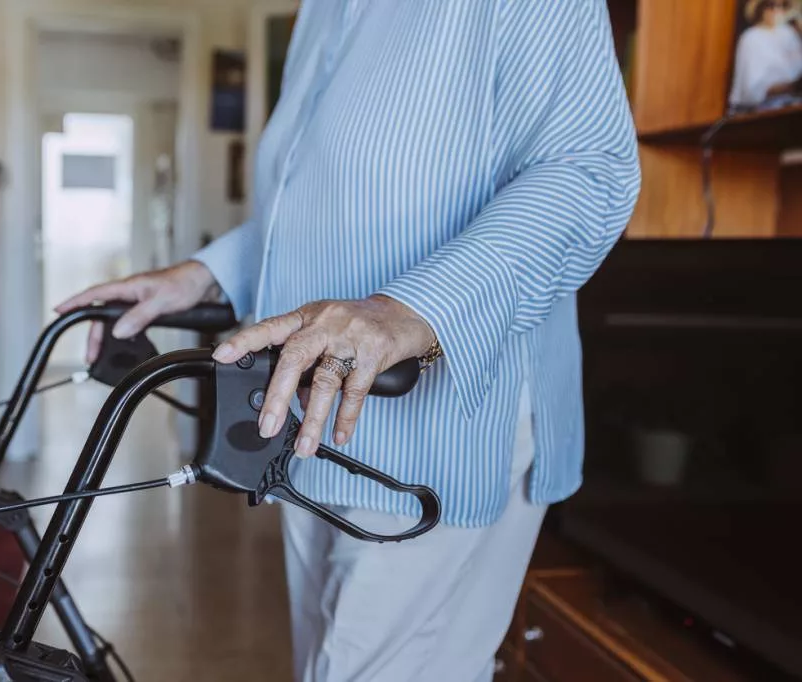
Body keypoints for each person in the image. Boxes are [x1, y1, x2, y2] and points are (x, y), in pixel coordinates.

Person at [57, 1, 641, 680]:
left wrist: (411, 309)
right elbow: (314, 211)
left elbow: (589, 170)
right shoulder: (324, 11)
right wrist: (202, 276)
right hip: (318, 418)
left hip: (442, 424)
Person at [729, 0, 802, 110]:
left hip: (793, 105)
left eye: (781, 6)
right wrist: (789, 87)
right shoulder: (751, 37)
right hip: (762, 110)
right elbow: (751, 92)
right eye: (770, 5)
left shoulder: (789, 34)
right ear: (760, 9)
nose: (776, 10)